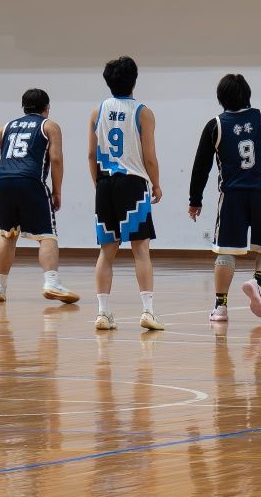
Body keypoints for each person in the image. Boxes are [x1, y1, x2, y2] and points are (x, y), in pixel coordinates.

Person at [188, 74, 261, 323]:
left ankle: (220, 307)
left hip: (232, 197)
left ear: (220, 98)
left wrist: (195, 200)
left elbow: (200, 166)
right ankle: (257, 282)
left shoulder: (215, 125)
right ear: (248, 94)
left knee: (225, 252)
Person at [0, 88, 78, 305]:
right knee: (47, 235)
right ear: (47, 107)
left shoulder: (9, 126)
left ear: (23, 107)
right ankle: (51, 282)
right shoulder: (49, 125)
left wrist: (2, 168)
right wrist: (57, 190)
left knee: (7, 234)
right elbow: (56, 159)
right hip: (31, 181)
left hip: (3, 181)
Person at [90, 56, 164, 332]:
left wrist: (98, 184)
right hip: (133, 184)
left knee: (106, 252)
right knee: (141, 250)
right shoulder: (143, 112)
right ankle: (148, 311)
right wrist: (156, 184)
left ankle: (102, 313)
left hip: (105, 184)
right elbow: (150, 156)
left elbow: (91, 154)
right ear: (134, 80)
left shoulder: (97, 111)